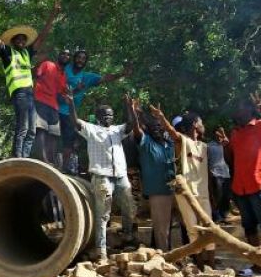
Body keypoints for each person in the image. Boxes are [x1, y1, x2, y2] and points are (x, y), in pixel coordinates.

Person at [0, 1, 61, 158]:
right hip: (19, 94)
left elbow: (42, 36)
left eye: (23, 39)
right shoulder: (7, 54)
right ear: (13, 42)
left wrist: (53, 15)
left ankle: (25, 157)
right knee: (23, 127)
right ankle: (17, 157)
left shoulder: (27, 53)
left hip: (29, 94)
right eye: (18, 40)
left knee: (32, 130)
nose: (21, 41)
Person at [62, 89, 136, 260]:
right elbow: (75, 122)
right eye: (105, 115)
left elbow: (131, 124)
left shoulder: (117, 131)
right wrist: (71, 103)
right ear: (98, 117)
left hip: (121, 176)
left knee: (129, 207)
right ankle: (101, 250)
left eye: (110, 115)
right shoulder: (91, 129)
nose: (108, 117)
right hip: (102, 176)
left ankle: (128, 238)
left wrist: (129, 106)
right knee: (103, 214)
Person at [219, 92, 261, 273]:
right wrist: (225, 145)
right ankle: (259, 263)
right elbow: (231, 161)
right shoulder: (235, 133)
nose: (237, 111)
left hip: (259, 182)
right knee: (249, 226)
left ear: (249, 110)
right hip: (241, 186)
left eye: (240, 107)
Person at [151, 107, 215, 267]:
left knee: (209, 228)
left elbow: (207, 172)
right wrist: (161, 117)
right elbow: (172, 132)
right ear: (195, 124)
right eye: (201, 122)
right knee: (193, 230)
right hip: (186, 193)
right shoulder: (183, 141)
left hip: (203, 193)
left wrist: (213, 195)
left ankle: (211, 264)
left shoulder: (204, 147)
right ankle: (200, 266)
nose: (203, 125)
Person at [58, 50, 133, 173]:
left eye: (83, 58)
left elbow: (105, 78)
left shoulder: (87, 77)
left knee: (69, 141)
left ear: (86, 62)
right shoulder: (65, 70)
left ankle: (64, 168)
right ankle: (47, 161)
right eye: (78, 57)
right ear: (74, 59)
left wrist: (121, 74)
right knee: (52, 135)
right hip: (55, 107)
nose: (80, 60)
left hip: (69, 113)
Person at [126, 96, 175, 251]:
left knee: (176, 226)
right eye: (155, 128)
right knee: (162, 230)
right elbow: (136, 127)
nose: (158, 130)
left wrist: (161, 117)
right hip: (159, 191)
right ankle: (165, 260)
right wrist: (133, 111)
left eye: (160, 127)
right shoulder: (146, 143)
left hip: (177, 191)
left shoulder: (170, 144)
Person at [32, 48, 69, 166]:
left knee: (54, 133)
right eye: (63, 53)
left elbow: (61, 94)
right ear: (58, 55)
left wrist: (67, 97)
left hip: (54, 105)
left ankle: (50, 160)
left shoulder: (63, 75)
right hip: (40, 100)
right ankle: (42, 159)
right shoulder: (47, 64)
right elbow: (34, 74)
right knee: (41, 129)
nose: (66, 56)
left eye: (68, 55)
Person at [207, 128, 232, 223]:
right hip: (215, 173)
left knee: (226, 196)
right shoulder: (209, 146)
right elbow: (207, 161)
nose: (219, 136)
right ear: (213, 135)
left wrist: (223, 133)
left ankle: (224, 216)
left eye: (220, 134)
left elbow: (228, 143)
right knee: (217, 196)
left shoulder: (224, 144)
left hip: (226, 173)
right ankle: (216, 216)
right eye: (217, 134)